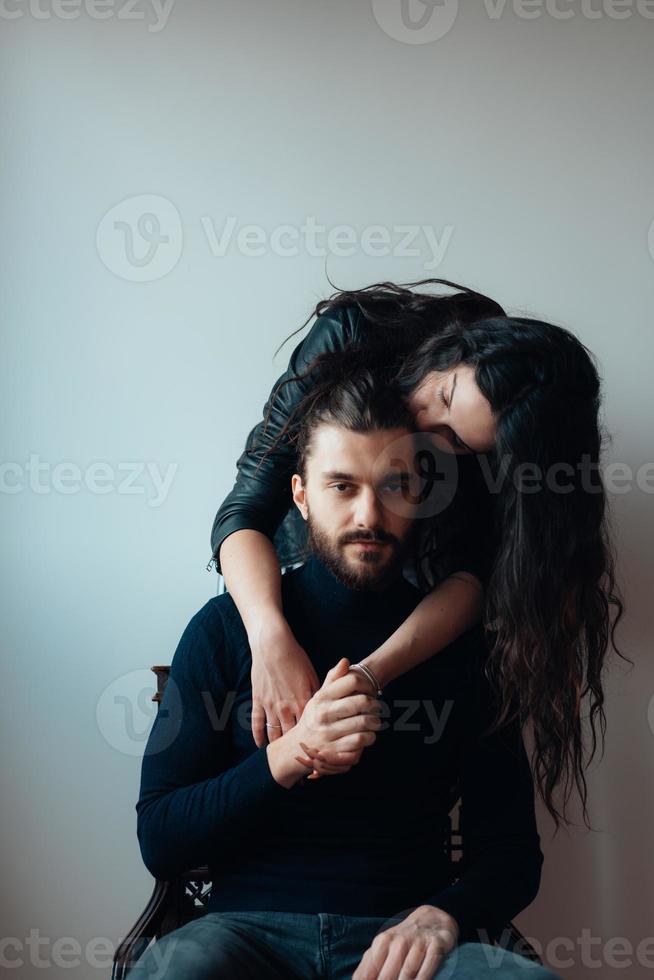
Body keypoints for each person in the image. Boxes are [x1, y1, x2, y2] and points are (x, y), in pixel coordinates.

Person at [136, 367, 562, 979]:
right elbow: (161, 838)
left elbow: (513, 852)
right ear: (301, 495)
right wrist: (288, 757)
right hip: (244, 936)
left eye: (394, 486)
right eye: (342, 486)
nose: (369, 514)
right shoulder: (226, 628)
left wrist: (443, 916)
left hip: (402, 939)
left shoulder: (458, 645)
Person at [209, 277, 626, 828]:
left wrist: (371, 673)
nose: (427, 424)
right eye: (444, 397)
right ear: (454, 348)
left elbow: (473, 578)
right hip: (285, 591)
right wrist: (269, 637)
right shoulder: (353, 334)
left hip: (416, 633)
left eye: (456, 441)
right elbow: (244, 512)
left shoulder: (491, 463)